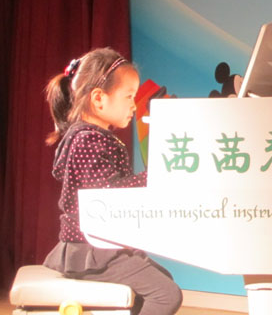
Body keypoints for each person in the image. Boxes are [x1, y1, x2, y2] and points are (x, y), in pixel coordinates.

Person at [42, 47, 183, 315]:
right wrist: (154, 178)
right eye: (129, 96)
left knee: (163, 281)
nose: (134, 105)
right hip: (91, 249)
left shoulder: (93, 137)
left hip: (102, 246)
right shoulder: (87, 140)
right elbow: (106, 195)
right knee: (166, 295)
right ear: (98, 99)